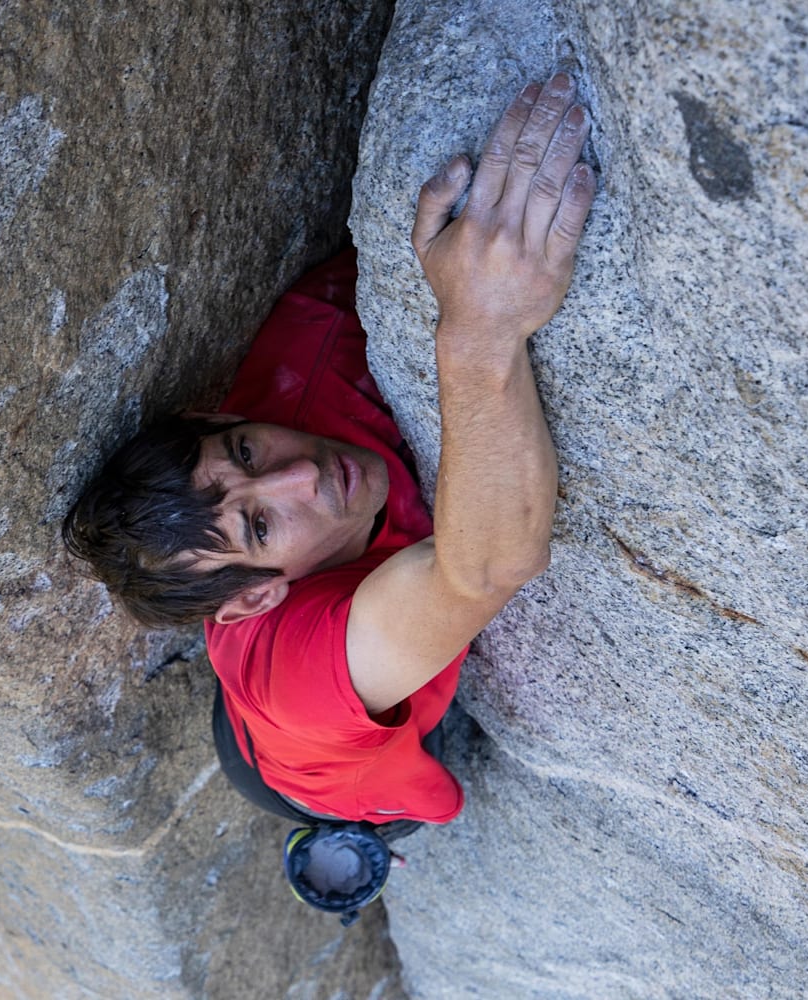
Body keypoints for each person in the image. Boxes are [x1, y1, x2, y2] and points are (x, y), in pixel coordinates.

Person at [64, 73, 594, 830]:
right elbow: (488, 566)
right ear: (251, 599)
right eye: (259, 526)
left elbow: (431, 255)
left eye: (244, 451)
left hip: (281, 694)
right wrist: (479, 331)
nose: (302, 474)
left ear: (219, 412)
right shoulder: (302, 681)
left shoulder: (317, 338)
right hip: (310, 763)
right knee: (378, 808)